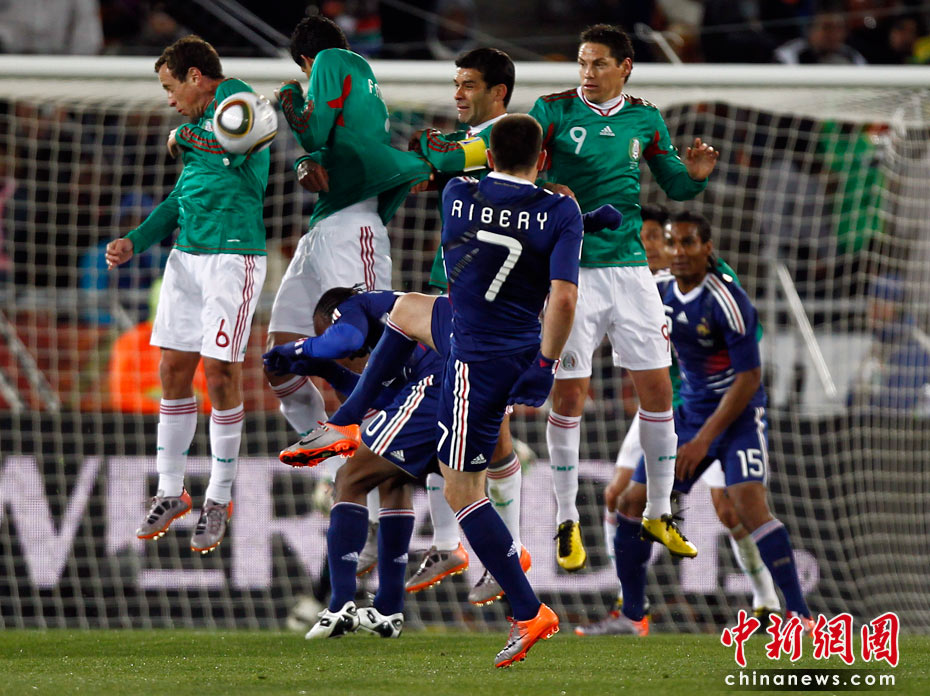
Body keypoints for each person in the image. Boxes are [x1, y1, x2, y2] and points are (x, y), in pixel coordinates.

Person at [281, 114, 584, 668]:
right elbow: (562, 298)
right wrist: (546, 363)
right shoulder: (563, 211)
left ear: (490, 157)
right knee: (403, 313)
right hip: (513, 344)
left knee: (463, 492)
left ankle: (527, 609)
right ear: (542, 161)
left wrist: (448, 150)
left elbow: (455, 172)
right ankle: (347, 423)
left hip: (474, 358)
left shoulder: (459, 195)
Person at [527, 23, 718, 571]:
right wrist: (548, 188)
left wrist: (695, 176)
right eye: (582, 63)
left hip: (633, 272)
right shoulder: (552, 110)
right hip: (573, 271)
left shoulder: (646, 118)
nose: (587, 73)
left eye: (598, 64)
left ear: (624, 67)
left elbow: (676, 185)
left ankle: (659, 510)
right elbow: (517, 173)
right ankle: (567, 519)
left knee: (658, 392)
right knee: (569, 398)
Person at [574, 204, 779, 636]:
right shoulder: (636, 283)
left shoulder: (713, 286)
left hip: (703, 409)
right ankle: (630, 606)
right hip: (659, 409)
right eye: (644, 239)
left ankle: (767, 601)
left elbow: (743, 349)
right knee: (617, 495)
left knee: (729, 509)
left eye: (656, 238)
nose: (649, 247)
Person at [105, 35, 269, 553]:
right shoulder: (199, 131)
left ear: (196, 76)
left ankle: (218, 497)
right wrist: (135, 240)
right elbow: (180, 199)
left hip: (233, 257)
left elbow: (231, 143)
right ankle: (170, 490)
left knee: (219, 373)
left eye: (170, 86)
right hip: (186, 258)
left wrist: (184, 133)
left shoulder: (239, 101)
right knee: (173, 370)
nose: (170, 98)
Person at [266, 14, 430, 441]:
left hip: (353, 229)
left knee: (364, 354)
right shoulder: (361, 82)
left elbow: (312, 131)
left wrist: (289, 96)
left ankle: (386, 462)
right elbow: (335, 147)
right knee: (279, 359)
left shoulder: (331, 61)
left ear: (307, 61)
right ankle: (332, 458)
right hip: (324, 228)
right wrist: (307, 162)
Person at [405, 46, 528, 606]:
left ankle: (507, 548)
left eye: (469, 84)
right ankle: (448, 543)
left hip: (487, 306)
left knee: (487, 430)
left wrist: (431, 153)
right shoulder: (477, 143)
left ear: (498, 93)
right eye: (455, 83)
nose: (458, 93)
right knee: (447, 416)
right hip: (453, 292)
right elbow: (437, 161)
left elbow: (440, 155)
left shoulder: (503, 137)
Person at [265, 286, 448, 639]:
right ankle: (389, 610)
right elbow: (384, 395)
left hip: (438, 386)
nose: (333, 346)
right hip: (461, 386)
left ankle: (339, 606)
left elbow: (343, 340)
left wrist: (295, 349)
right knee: (394, 480)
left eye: (324, 331)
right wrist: (330, 372)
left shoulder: (353, 306)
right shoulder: (394, 333)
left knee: (350, 478)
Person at [775, 3, 868, 65]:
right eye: (827, 27)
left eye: (839, 28)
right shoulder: (789, 55)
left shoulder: (853, 57)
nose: (833, 34)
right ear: (811, 28)